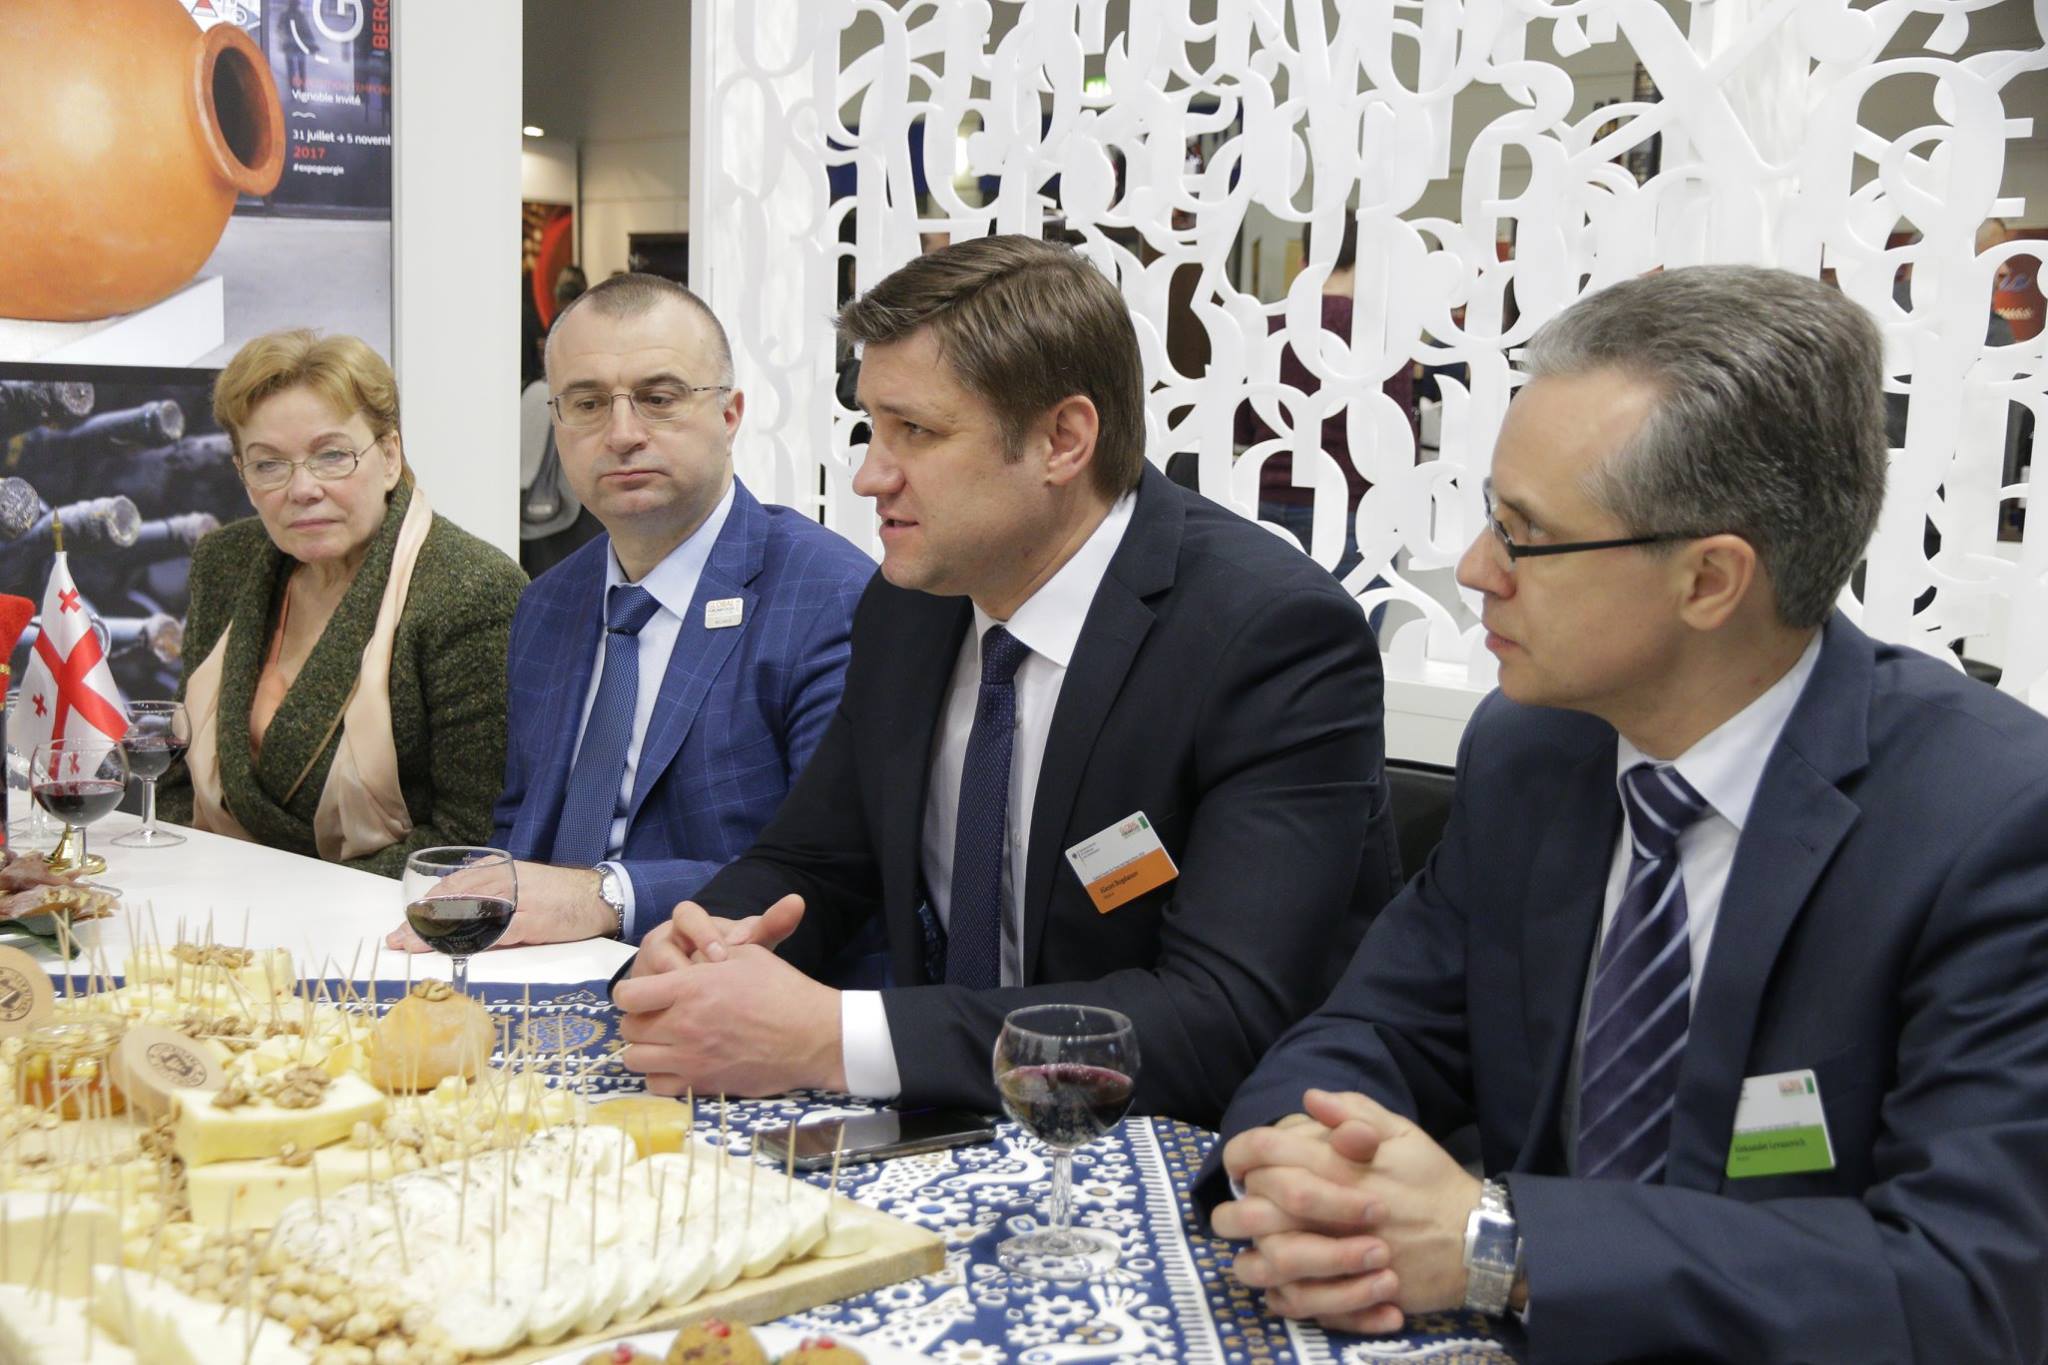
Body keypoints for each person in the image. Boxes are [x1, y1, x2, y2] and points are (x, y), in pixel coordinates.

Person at [1203, 266, 2048, 1362]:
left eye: (1525, 535)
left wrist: (1502, 1246)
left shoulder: (1991, 822)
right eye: (1488, 516)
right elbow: (1376, 1029)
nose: (1476, 569)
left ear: (1709, 581)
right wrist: (1304, 1164)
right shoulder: (1533, 749)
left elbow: (1963, 1287)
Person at [611, 235, 1401, 1126]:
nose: (870, 474)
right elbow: (816, 860)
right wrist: (705, 942)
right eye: (872, 427)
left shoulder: (1268, 637)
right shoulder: (910, 604)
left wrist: (836, 1036)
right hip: (952, 1125)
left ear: (1063, 440)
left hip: (1189, 1151)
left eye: (916, 431)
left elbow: (1220, 1021)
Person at [388, 272, 873, 952]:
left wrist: (605, 896)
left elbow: (828, 871)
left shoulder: (827, 596)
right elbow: (519, 824)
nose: (621, 434)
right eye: (587, 403)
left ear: (730, 415)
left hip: (716, 977)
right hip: (531, 971)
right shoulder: (547, 602)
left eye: (659, 398)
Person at [158, 330, 526, 876]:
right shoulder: (226, 561)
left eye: (332, 455)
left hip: (380, 914)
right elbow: (177, 778)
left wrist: (283, 894)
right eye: (268, 464)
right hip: (212, 898)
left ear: (390, 456)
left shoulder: (470, 589)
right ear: (242, 475)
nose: (302, 489)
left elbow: (470, 839)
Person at [1236, 216, 1417, 582]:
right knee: (1350, 617)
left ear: (1304, 260)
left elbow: (1242, 423)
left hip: (1265, 502)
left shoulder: (1270, 327)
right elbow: (1397, 439)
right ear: (1366, 263)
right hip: (1350, 509)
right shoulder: (1379, 338)